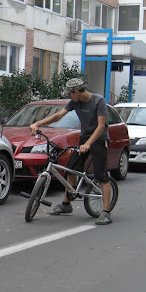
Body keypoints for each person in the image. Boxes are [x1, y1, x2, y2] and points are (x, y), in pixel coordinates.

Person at [29, 78, 113, 225]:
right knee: (71, 170)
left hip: (99, 140)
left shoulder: (98, 101)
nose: (69, 97)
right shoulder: (75, 102)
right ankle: (66, 204)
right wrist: (38, 123)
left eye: (70, 94)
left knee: (101, 175)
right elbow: (58, 116)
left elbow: (101, 126)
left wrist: (88, 143)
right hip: (84, 139)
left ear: (76, 92)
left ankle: (106, 212)